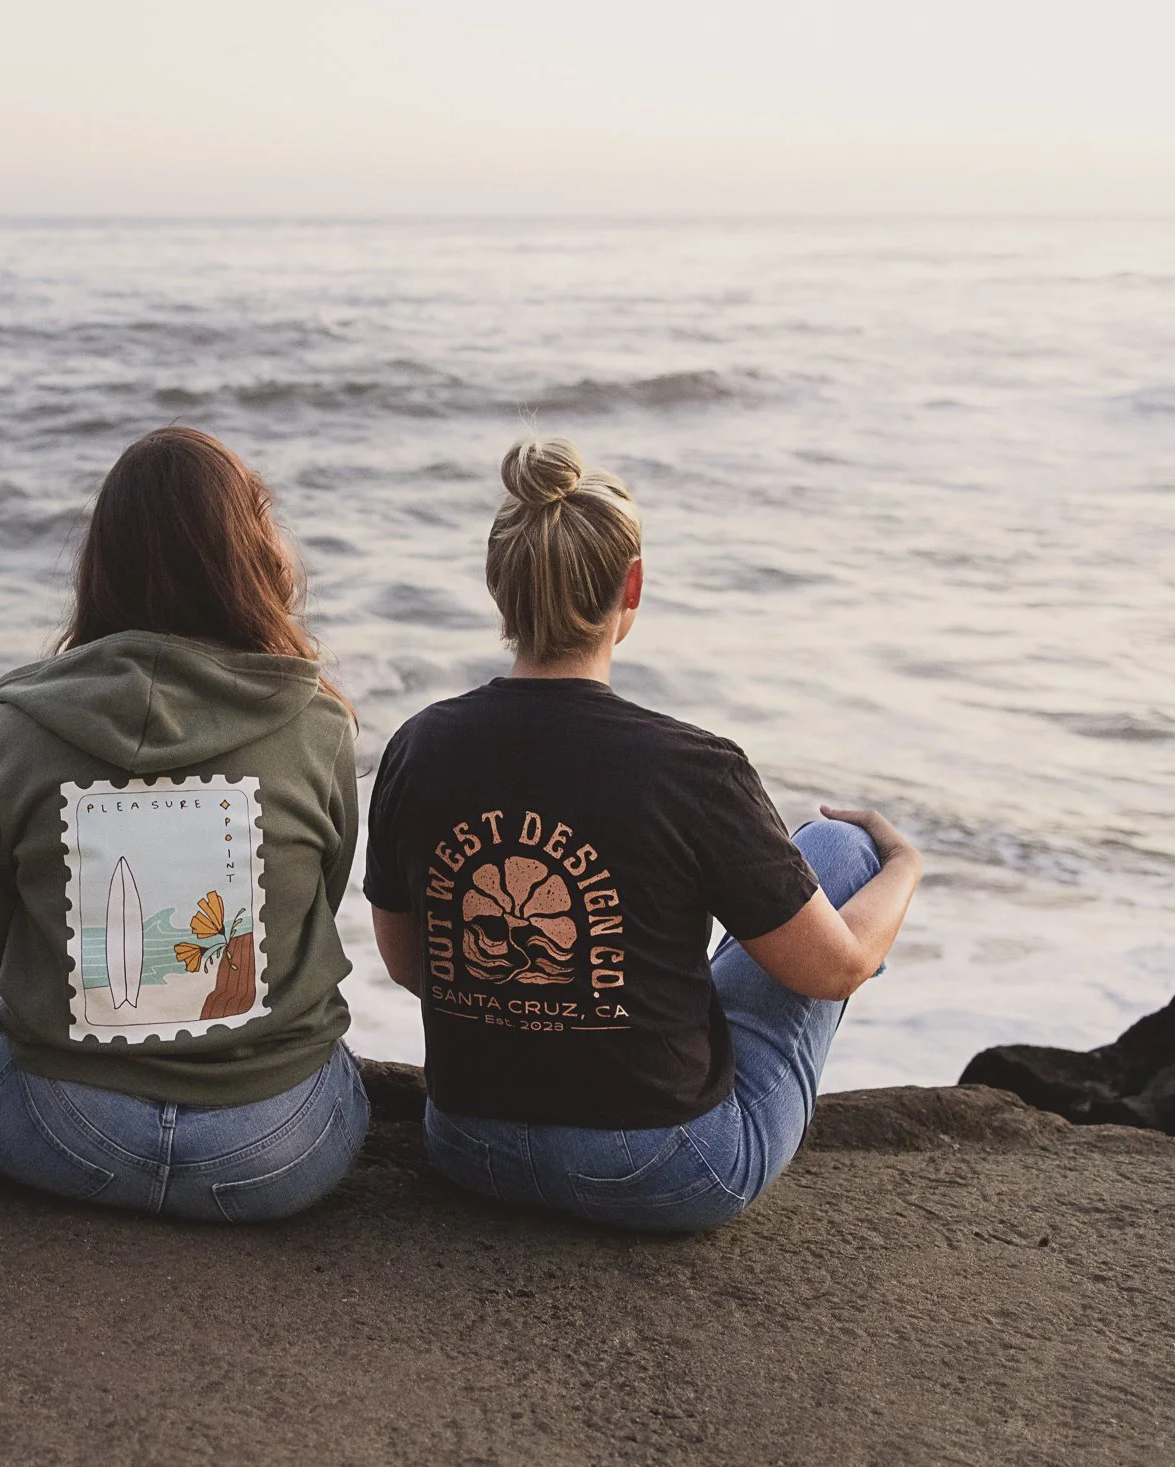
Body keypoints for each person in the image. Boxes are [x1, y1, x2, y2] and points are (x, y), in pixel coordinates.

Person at [366, 436, 921, 1231]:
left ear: (499, 590)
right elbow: (839, 970)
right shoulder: (691, 767)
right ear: (633, 586)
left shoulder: (418, 746)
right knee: (841, 849)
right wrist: (902, 862)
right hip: (659, 1170)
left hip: (468, 1143)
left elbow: (411, 963)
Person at [0, 427, 370, 1222]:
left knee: (0, 986)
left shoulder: (12, 733)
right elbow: (321, 901)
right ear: (255, 557)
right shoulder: (320, 727)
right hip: (275, 1149)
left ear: (99, 560)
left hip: (60, 1135)